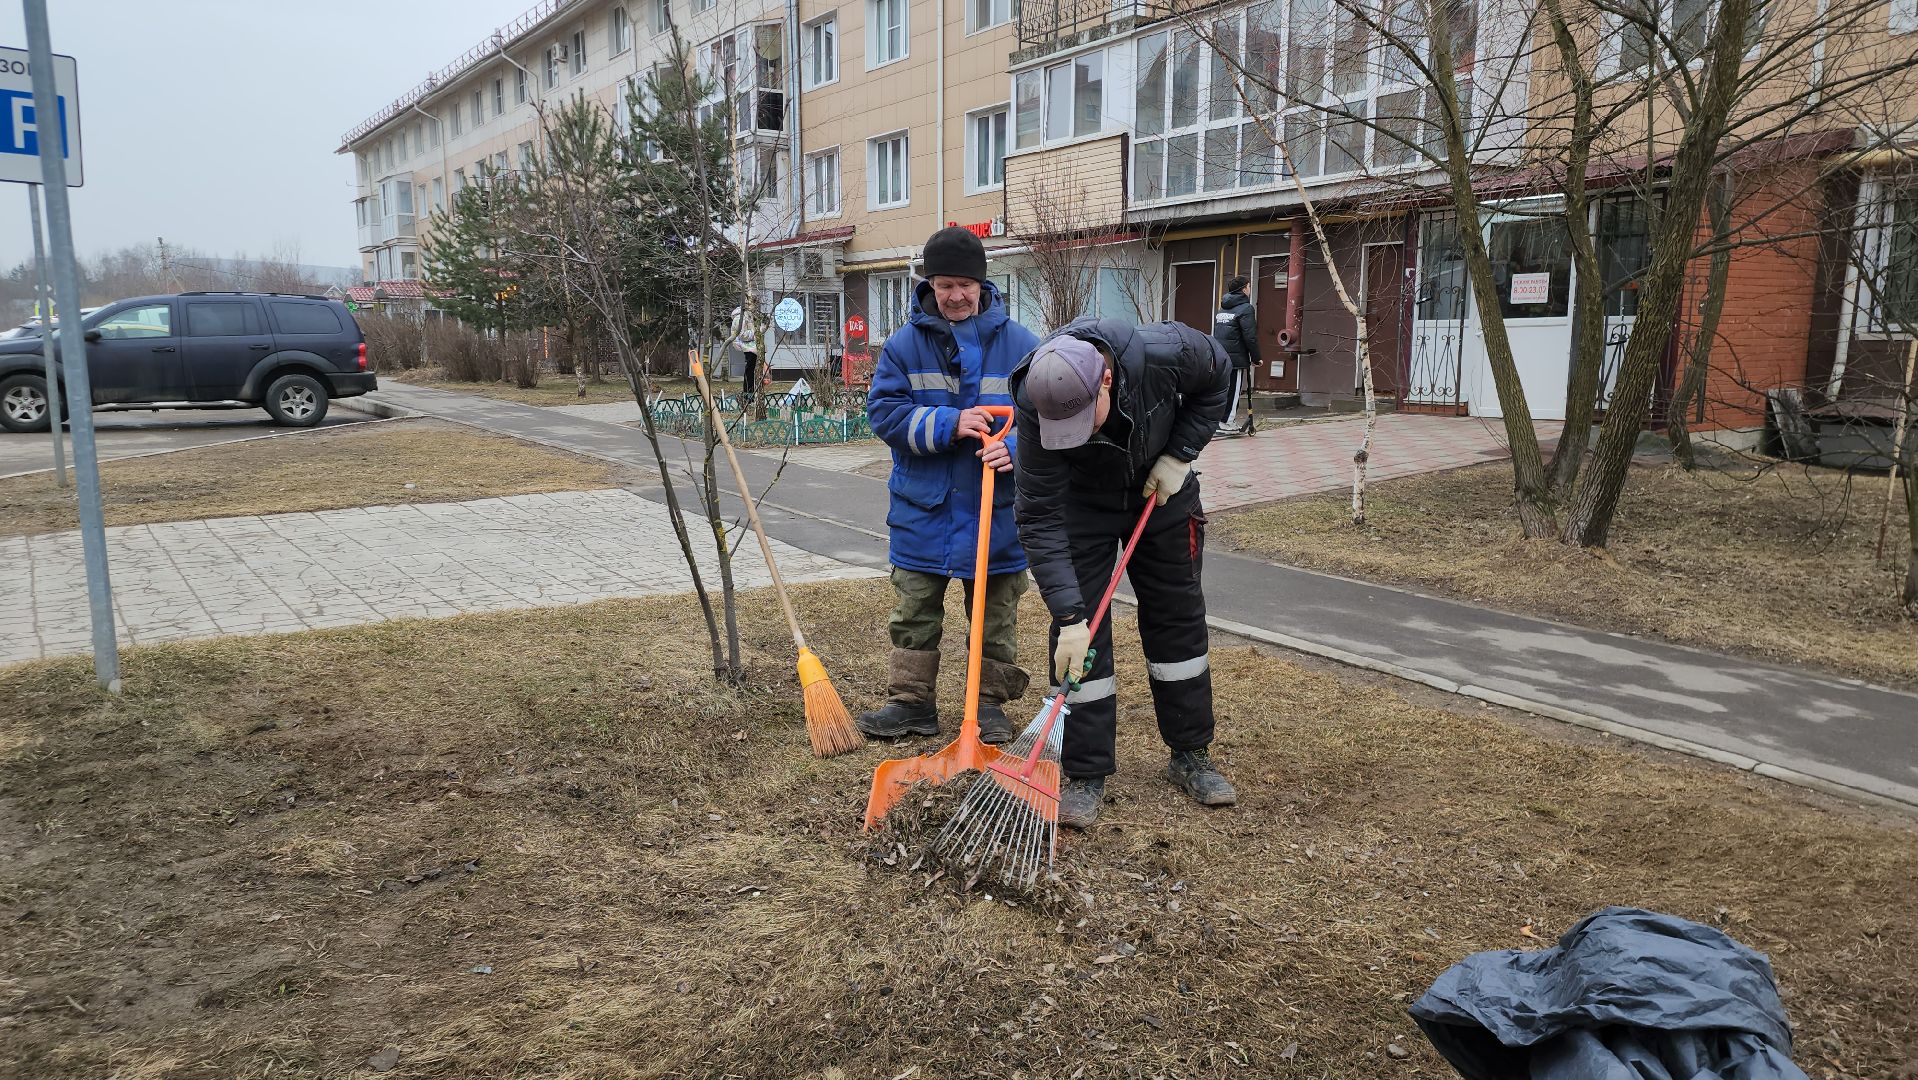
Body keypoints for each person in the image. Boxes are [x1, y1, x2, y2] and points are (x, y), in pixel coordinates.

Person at [1009, 316, 1237, 829]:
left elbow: (1219, 377)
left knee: (1177, 618)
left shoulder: (1169, 352)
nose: (1075, 434)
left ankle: (1191, 753)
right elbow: (1039, 517)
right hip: (1082, 504)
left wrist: (1179, 455)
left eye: (1082, 418)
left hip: (1162, 490)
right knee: (1080, 633)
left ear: (1107, 381)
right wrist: (1069, 616)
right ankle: (1085, 773)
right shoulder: (1035, 399)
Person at [860, 226, 1042, 744]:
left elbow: (1050, 420)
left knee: (996, 615)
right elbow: (885, 414)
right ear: (930, 285)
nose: (956, 296)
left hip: (997, 511)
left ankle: (987, 707)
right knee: (914, 611)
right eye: (945, 286)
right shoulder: (904, 346)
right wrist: (950, 423)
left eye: (965, 284)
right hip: (925, 511)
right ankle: (911, 703)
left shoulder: (1023, 346)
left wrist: (1015, 450)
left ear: (982, 283)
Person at [1212, 275, 1260, 433]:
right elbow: (1250, 336)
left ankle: (1218, 421)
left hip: (1219, 355)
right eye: (1249, 286)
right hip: (1235, 358)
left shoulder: (1223, 307)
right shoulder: (1246, 308)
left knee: (1222, 390)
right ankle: (1226, 422)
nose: (1250, 289)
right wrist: (1256, 358)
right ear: (1244, 289)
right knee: (1233, 390)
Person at [729, 305, 759, 402]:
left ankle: (751, 395)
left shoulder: (749, 316)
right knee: (750, 372)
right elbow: (742, 335)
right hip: (749, 347)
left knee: (752, 372)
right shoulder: (740, 318)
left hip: (752, 347)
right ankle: (748, 396)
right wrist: (756, 332)